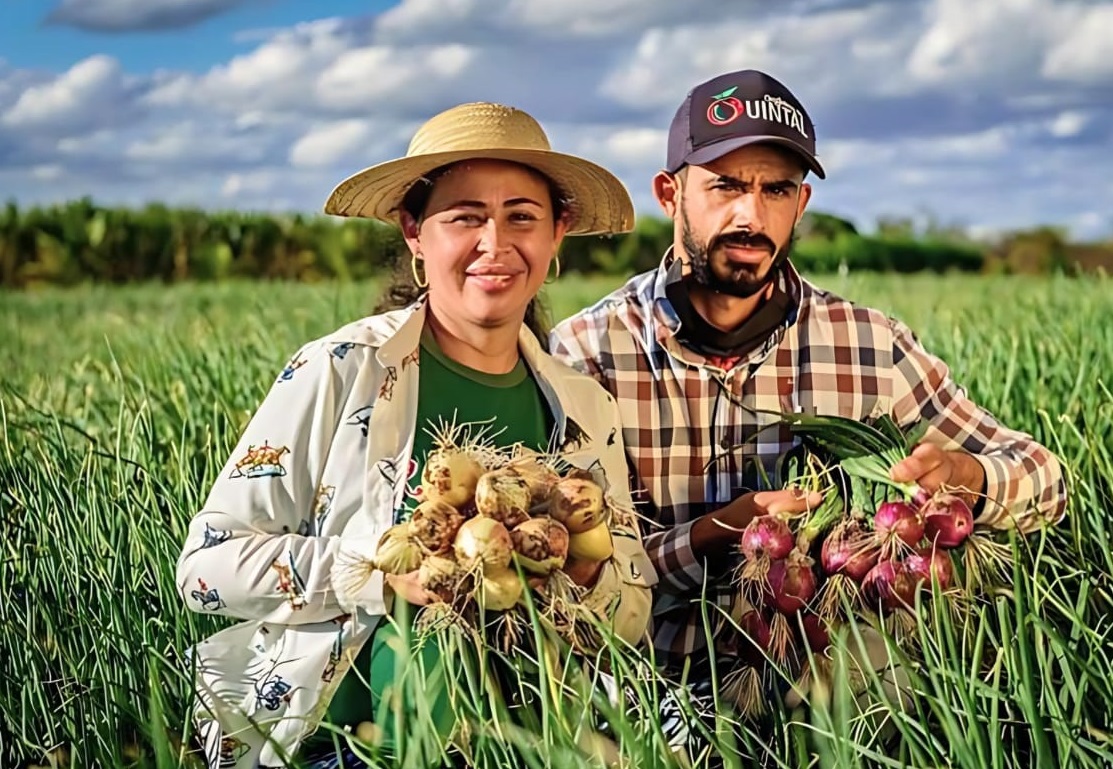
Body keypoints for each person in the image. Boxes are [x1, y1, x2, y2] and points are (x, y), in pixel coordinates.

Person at [550, 69, 1069, 749]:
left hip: (825, 674)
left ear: (801, 203)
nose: (750, 216)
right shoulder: (586, 353)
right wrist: (712, 534)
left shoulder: (864, 342)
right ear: (669, 193)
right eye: (726, 186)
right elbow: (568, 574)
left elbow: (1044, 476)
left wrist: (966, 477)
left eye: (775, 190)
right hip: (647, 681)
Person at [175, 101, 657, 769]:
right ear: (413, 232)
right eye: (465, 217)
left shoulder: (585, 408)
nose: (495, 243)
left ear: (557, 232)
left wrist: (579, 570)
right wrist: (377, 574)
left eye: (522, 216)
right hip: (336, 749)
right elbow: (203, 571)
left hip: (530, 746)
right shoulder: (341, 371)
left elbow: (632, 610)